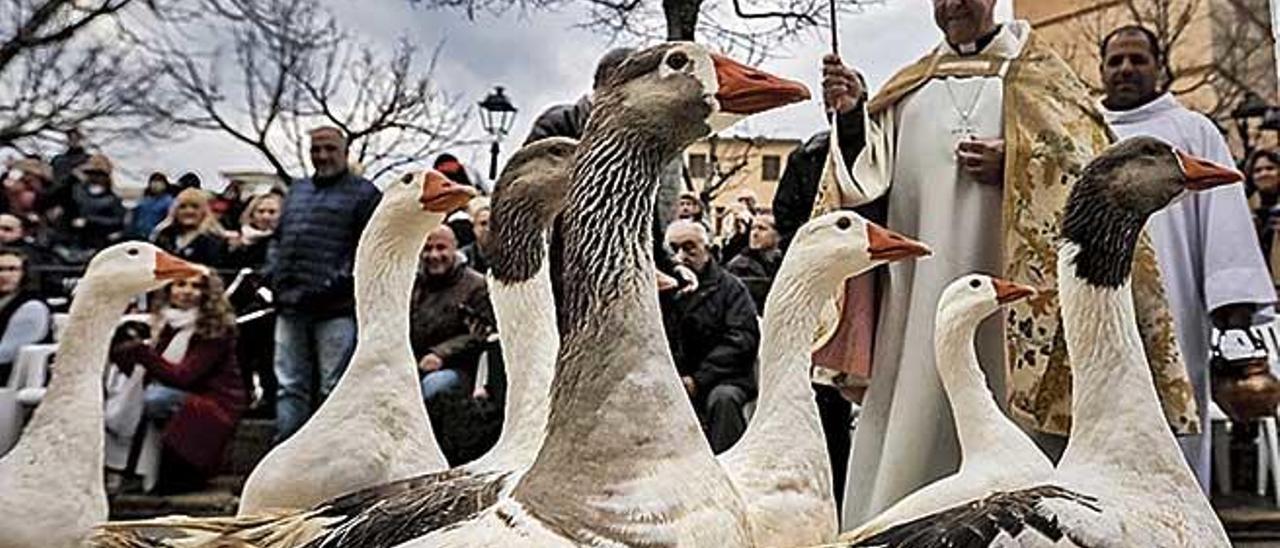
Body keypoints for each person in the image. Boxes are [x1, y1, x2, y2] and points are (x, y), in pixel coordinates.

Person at [813, 1, 1188, 525]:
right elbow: (862, 186)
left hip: (1018, 311)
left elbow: (1092, 174)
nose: (953, 5)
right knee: (912, 427)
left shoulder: (1044, 80)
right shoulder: (909, 89)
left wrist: (1017, 160)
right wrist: (854, 116)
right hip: (917, 301)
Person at [1097, 24, 1277, 492]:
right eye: (1115, 61)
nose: (1126, 69)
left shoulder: (1194, 131)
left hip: (1175, 311)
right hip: (1098, 310)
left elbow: (1223, 217)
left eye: (1138, 59)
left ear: (1159, 67)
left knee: (1174, 426)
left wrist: (1231, 300)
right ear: (1101, 71)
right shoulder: (1083, 129)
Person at [265, 126, 380, 442]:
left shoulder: (364, 194)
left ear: (344, 152)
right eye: (316, 149)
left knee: (334, 386)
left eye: (329, 149)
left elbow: (365, 252)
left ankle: (331, 454)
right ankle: (284, 452)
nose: (322, 156)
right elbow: (279, 240)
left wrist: (326, 288)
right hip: (290, 305)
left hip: (334, 308)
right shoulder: (297, 191)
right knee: (289, 384)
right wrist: (274, 277)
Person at [110, 272, 245, 494]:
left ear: (207, 293)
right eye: (180, 284)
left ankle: (182, 470)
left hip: (215, 402)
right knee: (137, 394)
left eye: (196, 286)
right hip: (182, 395)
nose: (187, 291)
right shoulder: (165, 324)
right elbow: (150, 371)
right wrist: (122, 353)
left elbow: (183, 376)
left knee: (155, 398)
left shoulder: (215, 329)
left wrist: (141, 352)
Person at [661, 220, 760, 454]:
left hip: (722, 378)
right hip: (671, 378)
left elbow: (741, 339)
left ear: (707, 249)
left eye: (689, 247)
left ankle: (728, 467)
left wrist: (698, 379)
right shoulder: (663, 290)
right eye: (673, 249)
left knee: (723, 400)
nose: (681, 256)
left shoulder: (730, 289)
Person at [410, 225, 492, 404]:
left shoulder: (476, 286)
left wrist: (441, 354)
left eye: (441, 248)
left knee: (432, 388)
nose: (433, 255)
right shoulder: (412, 284)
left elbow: (480, 335)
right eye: (427, 249)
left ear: (454, 248)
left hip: (458, 368)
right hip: (413, 365)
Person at [0, 248, 50, 385]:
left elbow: (7, 354)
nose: (4, 275)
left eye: (12, 269)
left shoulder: (32, 307)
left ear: (24, 273)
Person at [151, 188, 227, 268]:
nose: (189, 211)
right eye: (183, 207)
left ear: (204, 212)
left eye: (195, 207)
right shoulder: (164, 236)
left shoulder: (213, 240)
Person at [726, 213, 782, 314]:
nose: (755, 234)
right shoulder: (739, 265)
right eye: (752, 228)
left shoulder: (783, 263)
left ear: (777, 235)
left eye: (762, 228)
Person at [227, 192, 283, 271]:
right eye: (261, 211)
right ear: (252, 214)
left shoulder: (284, 240)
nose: (266, 216)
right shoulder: (238, 238)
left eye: (272, 212)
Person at [131, 173, 175, 240]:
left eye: (159, 181)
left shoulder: (169, 201)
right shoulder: (144, 200)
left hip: (157, 237)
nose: (155, 184)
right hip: (138, 235)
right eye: (153, 181)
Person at [460, 197, 490, 275]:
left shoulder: (507, 257)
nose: (488, 228)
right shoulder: (463, 257)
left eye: (493, 224)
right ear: (474, 228)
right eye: (483, 224)